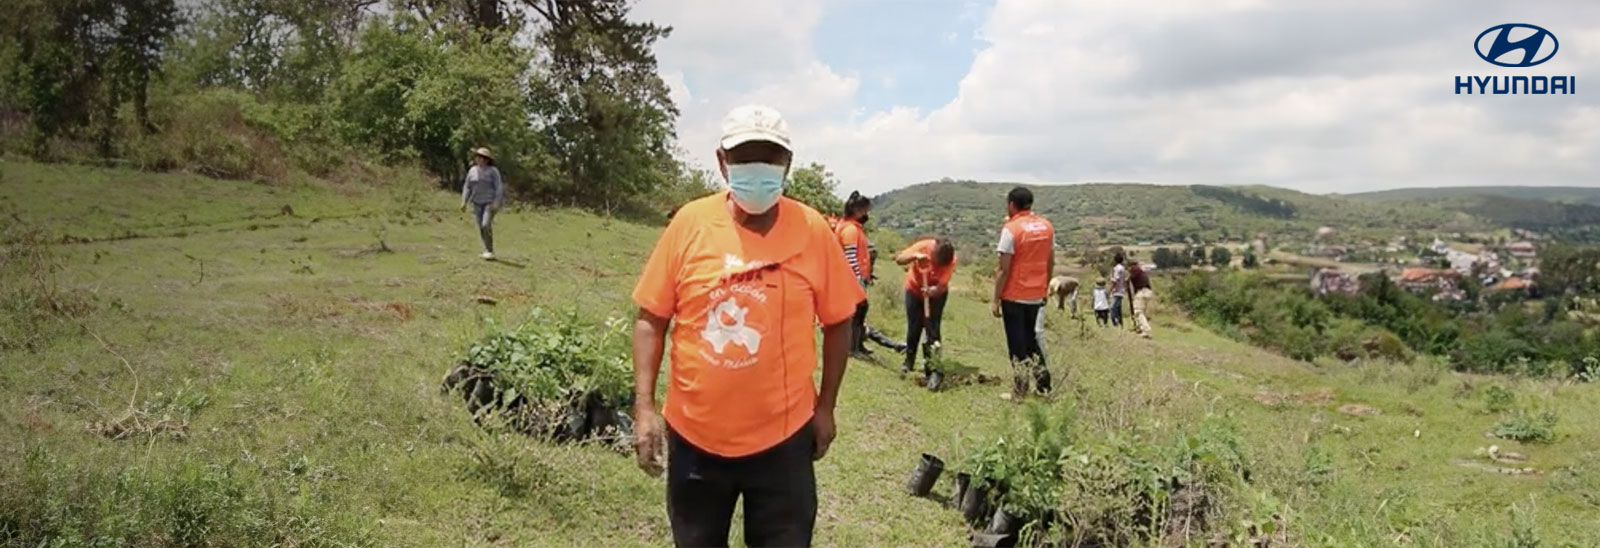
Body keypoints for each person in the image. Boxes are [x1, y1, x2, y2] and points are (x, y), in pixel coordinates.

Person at [630, 104, 864, 548]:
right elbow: (651, 319)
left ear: (786, 165)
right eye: (744, 159)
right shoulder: (689, 224)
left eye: (769, 159)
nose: (756, 170)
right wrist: (644, 406)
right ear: (722, 162)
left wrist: (827, 406)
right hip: (695, 438)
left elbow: (839, 322)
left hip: (784, 440)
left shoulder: (813, 230)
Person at [991, 187, 1055, 396]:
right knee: (1031, 341)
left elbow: (1003, 268)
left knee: (1017, 345)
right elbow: (1050, 260)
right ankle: (1044, 386)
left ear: (1011, 205)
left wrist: (996, 299)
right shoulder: (1046, 227)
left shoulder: (1012, 229)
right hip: (1036, 293)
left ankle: (1020, 390)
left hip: (1014, 294)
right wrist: (1045, 288)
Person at [894, 237, 957, 376]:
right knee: (914, 326)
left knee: (932, 328)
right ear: (933, 251)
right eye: (935, 261)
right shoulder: (923, 247)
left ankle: (931, 365)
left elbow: (941, 286)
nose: (936, 266)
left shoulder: (950, 260)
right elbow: (899, 259)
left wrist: (932, 291)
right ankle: (908, 362)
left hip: (936, 295)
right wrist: (914, 256)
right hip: (914, 288)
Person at [834, 191, 875, 357]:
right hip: (850, 279)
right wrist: (857, 278)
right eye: (864, 210)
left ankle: (857, 344)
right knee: (856, 312)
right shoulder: (850, 229)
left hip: (855, 278)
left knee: (860, 311)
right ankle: (853, 347)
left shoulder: (852, 228)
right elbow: (850, 256)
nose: (866, 214)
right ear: (856, 210)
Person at [459, 147, 505, 260]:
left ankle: (490, 250)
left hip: (489, 203)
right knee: (480, 227)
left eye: (481, 157)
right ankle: (486, 249)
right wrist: (464, 201)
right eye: (477, 156)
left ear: (486, 159)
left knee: (486, 224)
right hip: (476, 202)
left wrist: (496, 202)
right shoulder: (472, 170)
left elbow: (498, 187)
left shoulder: (493, 171)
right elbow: (467, 186)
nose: (478, 159)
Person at [1129, 260, 1155, 339]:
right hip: (1148, 291)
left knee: (1138, 312)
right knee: (1141, 312)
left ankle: (1146, 330)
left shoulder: (1134, 270)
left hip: (1141, 292)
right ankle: (1139, 327)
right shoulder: (1141, 271)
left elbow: (1129, 279)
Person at [1109, 254, 1129, 327]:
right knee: (1118, 308)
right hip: (1121, 290)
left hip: (1117, 291)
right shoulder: (1123, 268)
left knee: (1112, 308)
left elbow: (1115, 280)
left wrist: (1111, 289)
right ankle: (1121, 324)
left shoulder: (1117, 269)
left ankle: (1115, 323)